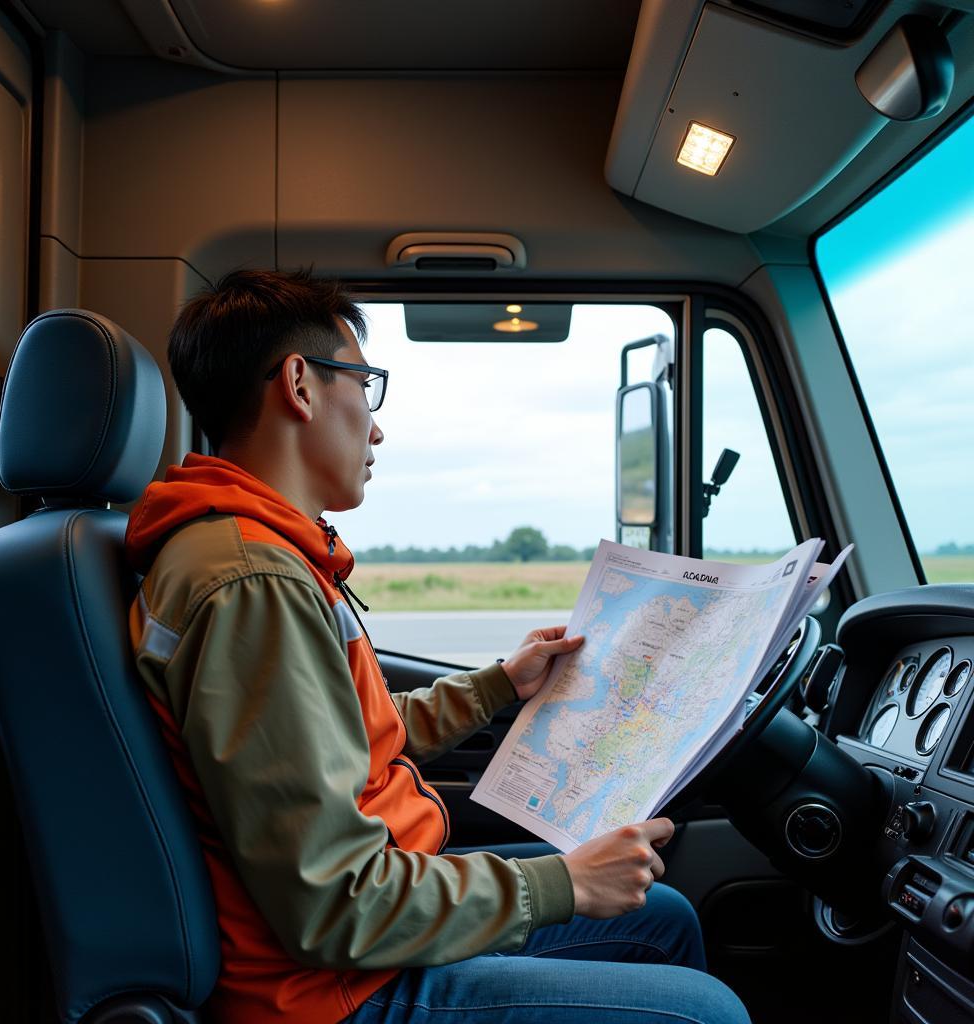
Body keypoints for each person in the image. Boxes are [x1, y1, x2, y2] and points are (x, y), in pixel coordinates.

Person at [125, 269, 751, 1024]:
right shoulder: (252, 582)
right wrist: (567, 884)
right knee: (709, 1012)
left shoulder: (262, 554)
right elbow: (332, 905)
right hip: (333, 991)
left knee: (663, 916)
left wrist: (497, 686)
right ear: (299, 384)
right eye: (365, 383)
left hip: (364, 933)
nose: (377, 425)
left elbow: (343, 741)